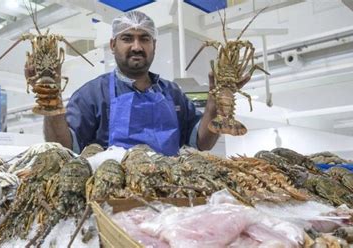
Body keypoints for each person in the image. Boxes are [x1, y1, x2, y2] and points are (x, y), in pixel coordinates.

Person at [38, 11, 249, 156]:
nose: (137, 46)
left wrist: (214, 105)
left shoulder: (173, 92)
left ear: (154, 45)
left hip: (171, 195)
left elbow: (202, 143)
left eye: (144, 39)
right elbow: (63, 147)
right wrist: (51, 98)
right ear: (112, 44)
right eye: (127, 38)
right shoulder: (92, 94)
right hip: (111, 202)